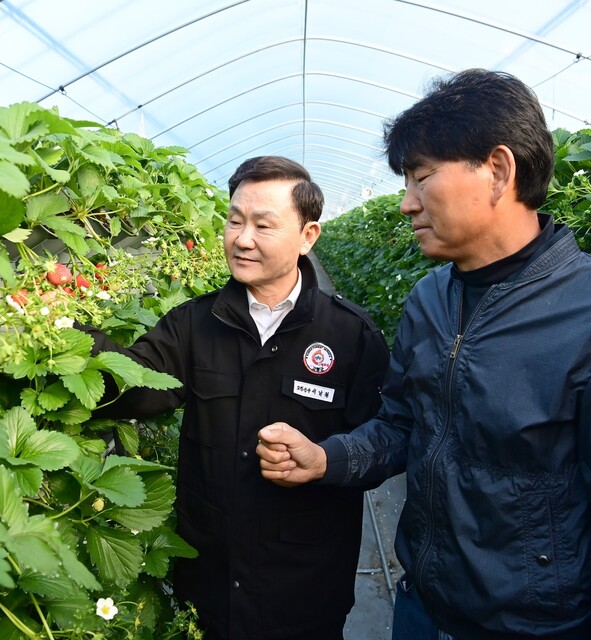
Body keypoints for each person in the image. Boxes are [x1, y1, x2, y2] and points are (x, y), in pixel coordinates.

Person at [257, 69, 591, 640]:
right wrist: (326, 458)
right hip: (422, 612)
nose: (406, 204)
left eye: (420, 178)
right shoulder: (430, 302)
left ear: (498, 170)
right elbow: (402, 426)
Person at [86, 155, 389, 639]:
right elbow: (133, 388)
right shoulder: (194, 324)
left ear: (308, 236)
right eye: (234, 220)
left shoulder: (351, 336)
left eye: (262, 225)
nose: (242, 238)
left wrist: (325, 460)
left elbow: (386, 441)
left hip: (305, 586)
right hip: (212, 581)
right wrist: (64, 336)